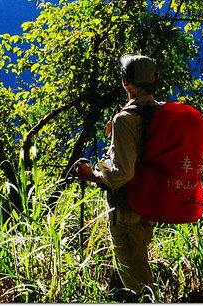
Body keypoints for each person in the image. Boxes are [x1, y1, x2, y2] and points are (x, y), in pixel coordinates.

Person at [77, 54, 162, 299]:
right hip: (149, 204)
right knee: (139, 263)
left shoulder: (125, 119)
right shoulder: (159, 111)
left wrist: (90, 175)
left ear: (126, 82)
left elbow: (122, 173)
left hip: (127, 209)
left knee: (138, 282)